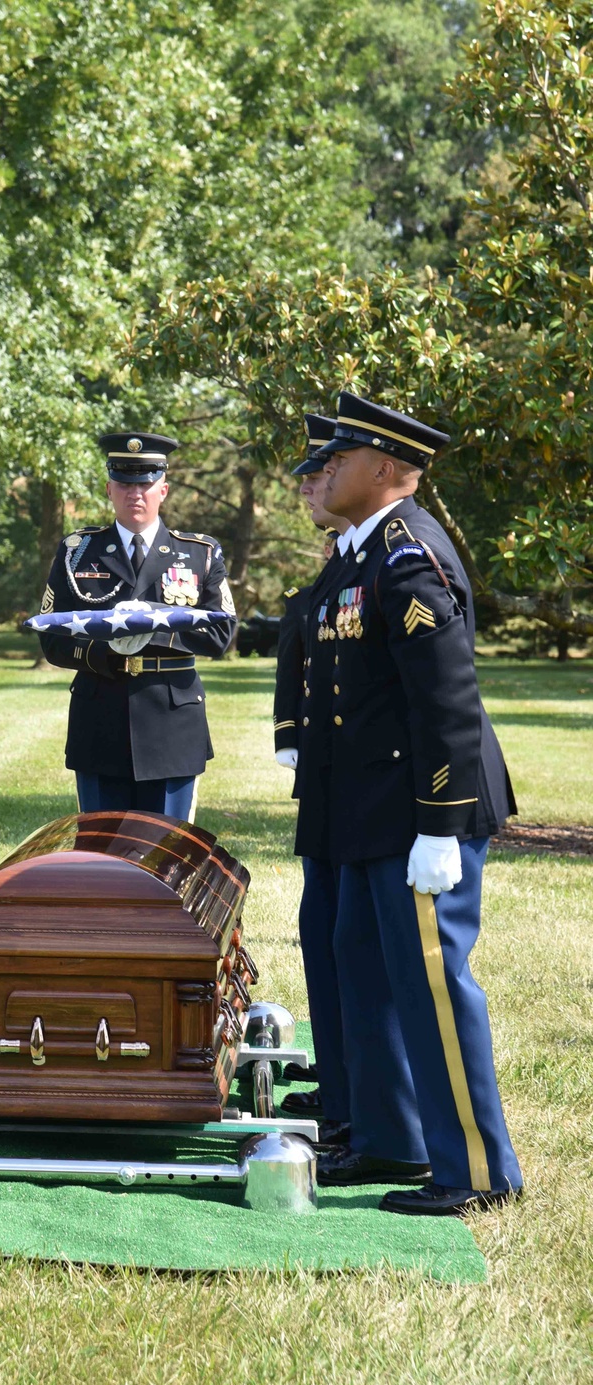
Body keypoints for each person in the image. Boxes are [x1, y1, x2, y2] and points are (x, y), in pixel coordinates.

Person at [303, 391, 521, 1215]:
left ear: (389, 470)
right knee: (369, 972)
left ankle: (476, 1169)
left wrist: (440, 825)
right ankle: (392, 1139)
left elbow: (448, 702)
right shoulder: (365, 555)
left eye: (345, 459)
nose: (328, 470)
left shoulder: (407, 555)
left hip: (422, 811)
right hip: (374, 811)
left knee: (432, 985)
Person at [39, 432, 235, 820]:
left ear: (164, 489)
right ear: (109, 489)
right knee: (101, 859)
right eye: (125, 483)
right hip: (100, 721)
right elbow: (52, 636)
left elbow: (220, 635)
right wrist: (107, 650)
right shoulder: (78, 551)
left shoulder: (198, 553)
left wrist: (151, 626)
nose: (136, 493)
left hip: (171, 725)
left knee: (167, 860)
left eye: (146, 482)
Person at [272, 415, 352, 1147]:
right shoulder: (340, 572)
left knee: (345, 944)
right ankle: (343, 1089)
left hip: (364, 798)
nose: (307, 484)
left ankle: (353, 1098)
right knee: (324, 936)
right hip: (333, 793)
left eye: (322, 469)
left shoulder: (387, 562)